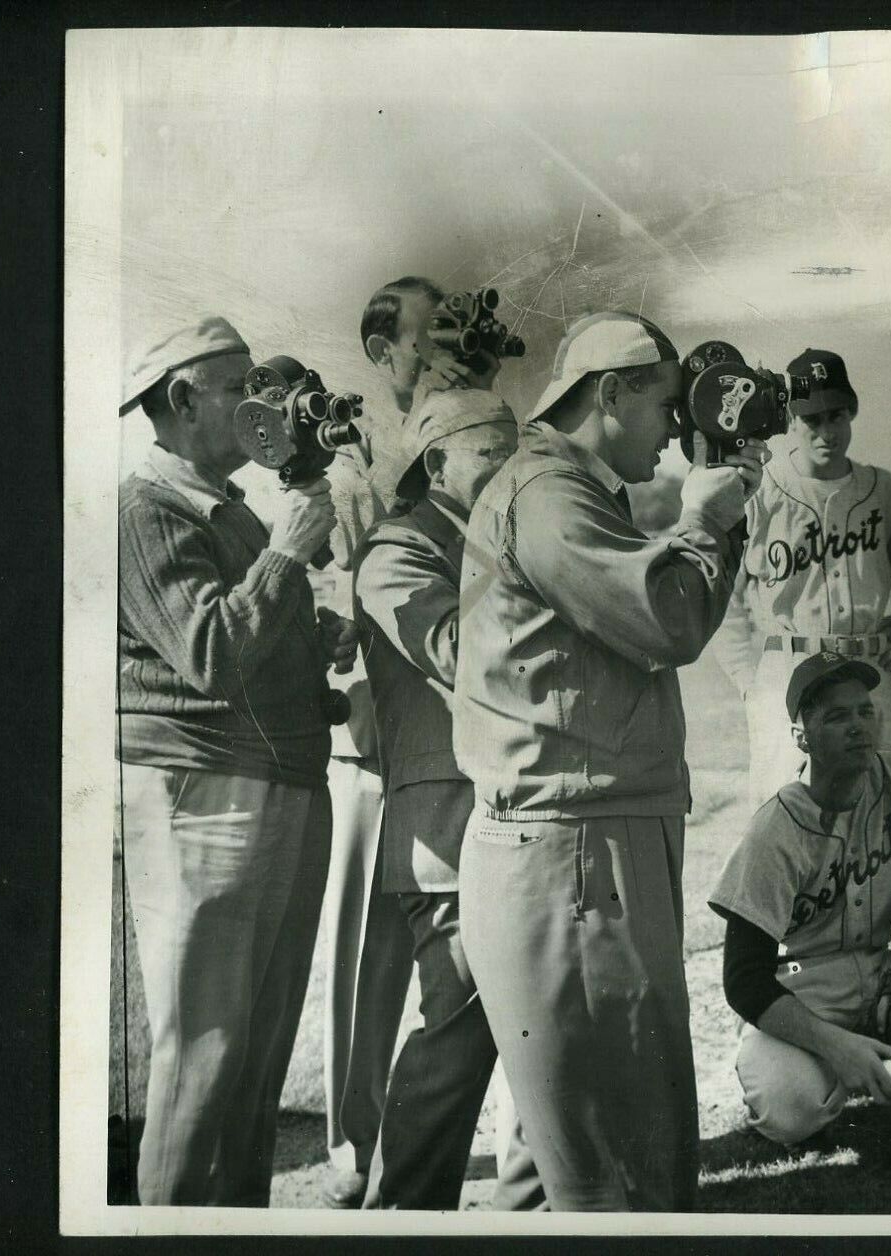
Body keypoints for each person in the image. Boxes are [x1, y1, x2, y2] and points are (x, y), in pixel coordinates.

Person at [453, 310, 766, 1210]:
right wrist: (709, 524)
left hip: (576, 844)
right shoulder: (551, 493)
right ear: (612, 392)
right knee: (625, 1163)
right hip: (576, 851)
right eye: (667, 405)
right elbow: (665, 620)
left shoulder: (557, 488)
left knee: (574, 1160)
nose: (677, 431)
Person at [116, 316, 356, 1204]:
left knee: (254, 1054)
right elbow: (210, 650)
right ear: (181, 400)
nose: (260, 405)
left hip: (274, 784)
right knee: (206, 1054)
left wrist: (312, 637)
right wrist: (288, 553)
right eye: (237, 387)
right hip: (205, 792)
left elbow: (245, 645)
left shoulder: (231, 510)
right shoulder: (144, 509)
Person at [319, 274, 494, 1205]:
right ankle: (356, 1150)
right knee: (369, 962)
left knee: (461, 975)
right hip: (373, 735)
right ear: (383, 351)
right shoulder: (353, 461)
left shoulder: (471, 434)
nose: (445, 356)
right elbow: (341, 595)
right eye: (428, 342)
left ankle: (469, 1150)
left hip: (447, 739)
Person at [350, 389, 542, 1210]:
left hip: (515, 818)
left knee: (539, 1032)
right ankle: (402, 1217)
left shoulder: (489, 534)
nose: (513, 474)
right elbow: (465, 651)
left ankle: (539, 1213)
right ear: (437, 464)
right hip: (445, 836)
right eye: (494, 457)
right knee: (456, 1040)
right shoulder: (397, 551)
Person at [708, 652, 891, 1146]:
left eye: (864, 711)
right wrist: (838, 1047)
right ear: (801, 737)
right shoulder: (776, 828)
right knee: (788, 1110)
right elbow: (743, 980)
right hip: (806, 988)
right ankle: (830, 1060)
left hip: (883, 963)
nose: (858, 727)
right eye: (836, 716)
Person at [711, 348, 891, 809]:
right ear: (790, 417)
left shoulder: (885, 490)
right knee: (790, 822)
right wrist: (750, 682)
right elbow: (722, 597)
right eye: (812, 419)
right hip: (787, 674)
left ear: (852, 413)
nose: (827, 432)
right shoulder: (758, 490)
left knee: (879, 823)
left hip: (868, 674)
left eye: (837, 416)